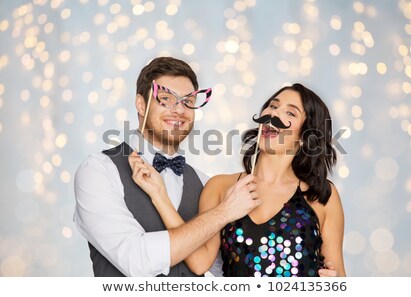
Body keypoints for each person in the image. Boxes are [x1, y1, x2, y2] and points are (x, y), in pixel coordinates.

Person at [130, 82, 345, 277]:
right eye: (272, 106)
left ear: (305, 135)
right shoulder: (221, 187)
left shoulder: (321, 195)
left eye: (290, 112)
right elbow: (198, 262)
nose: (273, 114)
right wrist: (159, 195)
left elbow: (339, 278)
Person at [73, 57, 261, 277]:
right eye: (166, 99)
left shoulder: (204, 183)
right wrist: (225, 212)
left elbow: (223, 270)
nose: (179, 110)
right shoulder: (99, 170)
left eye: (188, 101)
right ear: (141, 104)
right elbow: (136, 260)